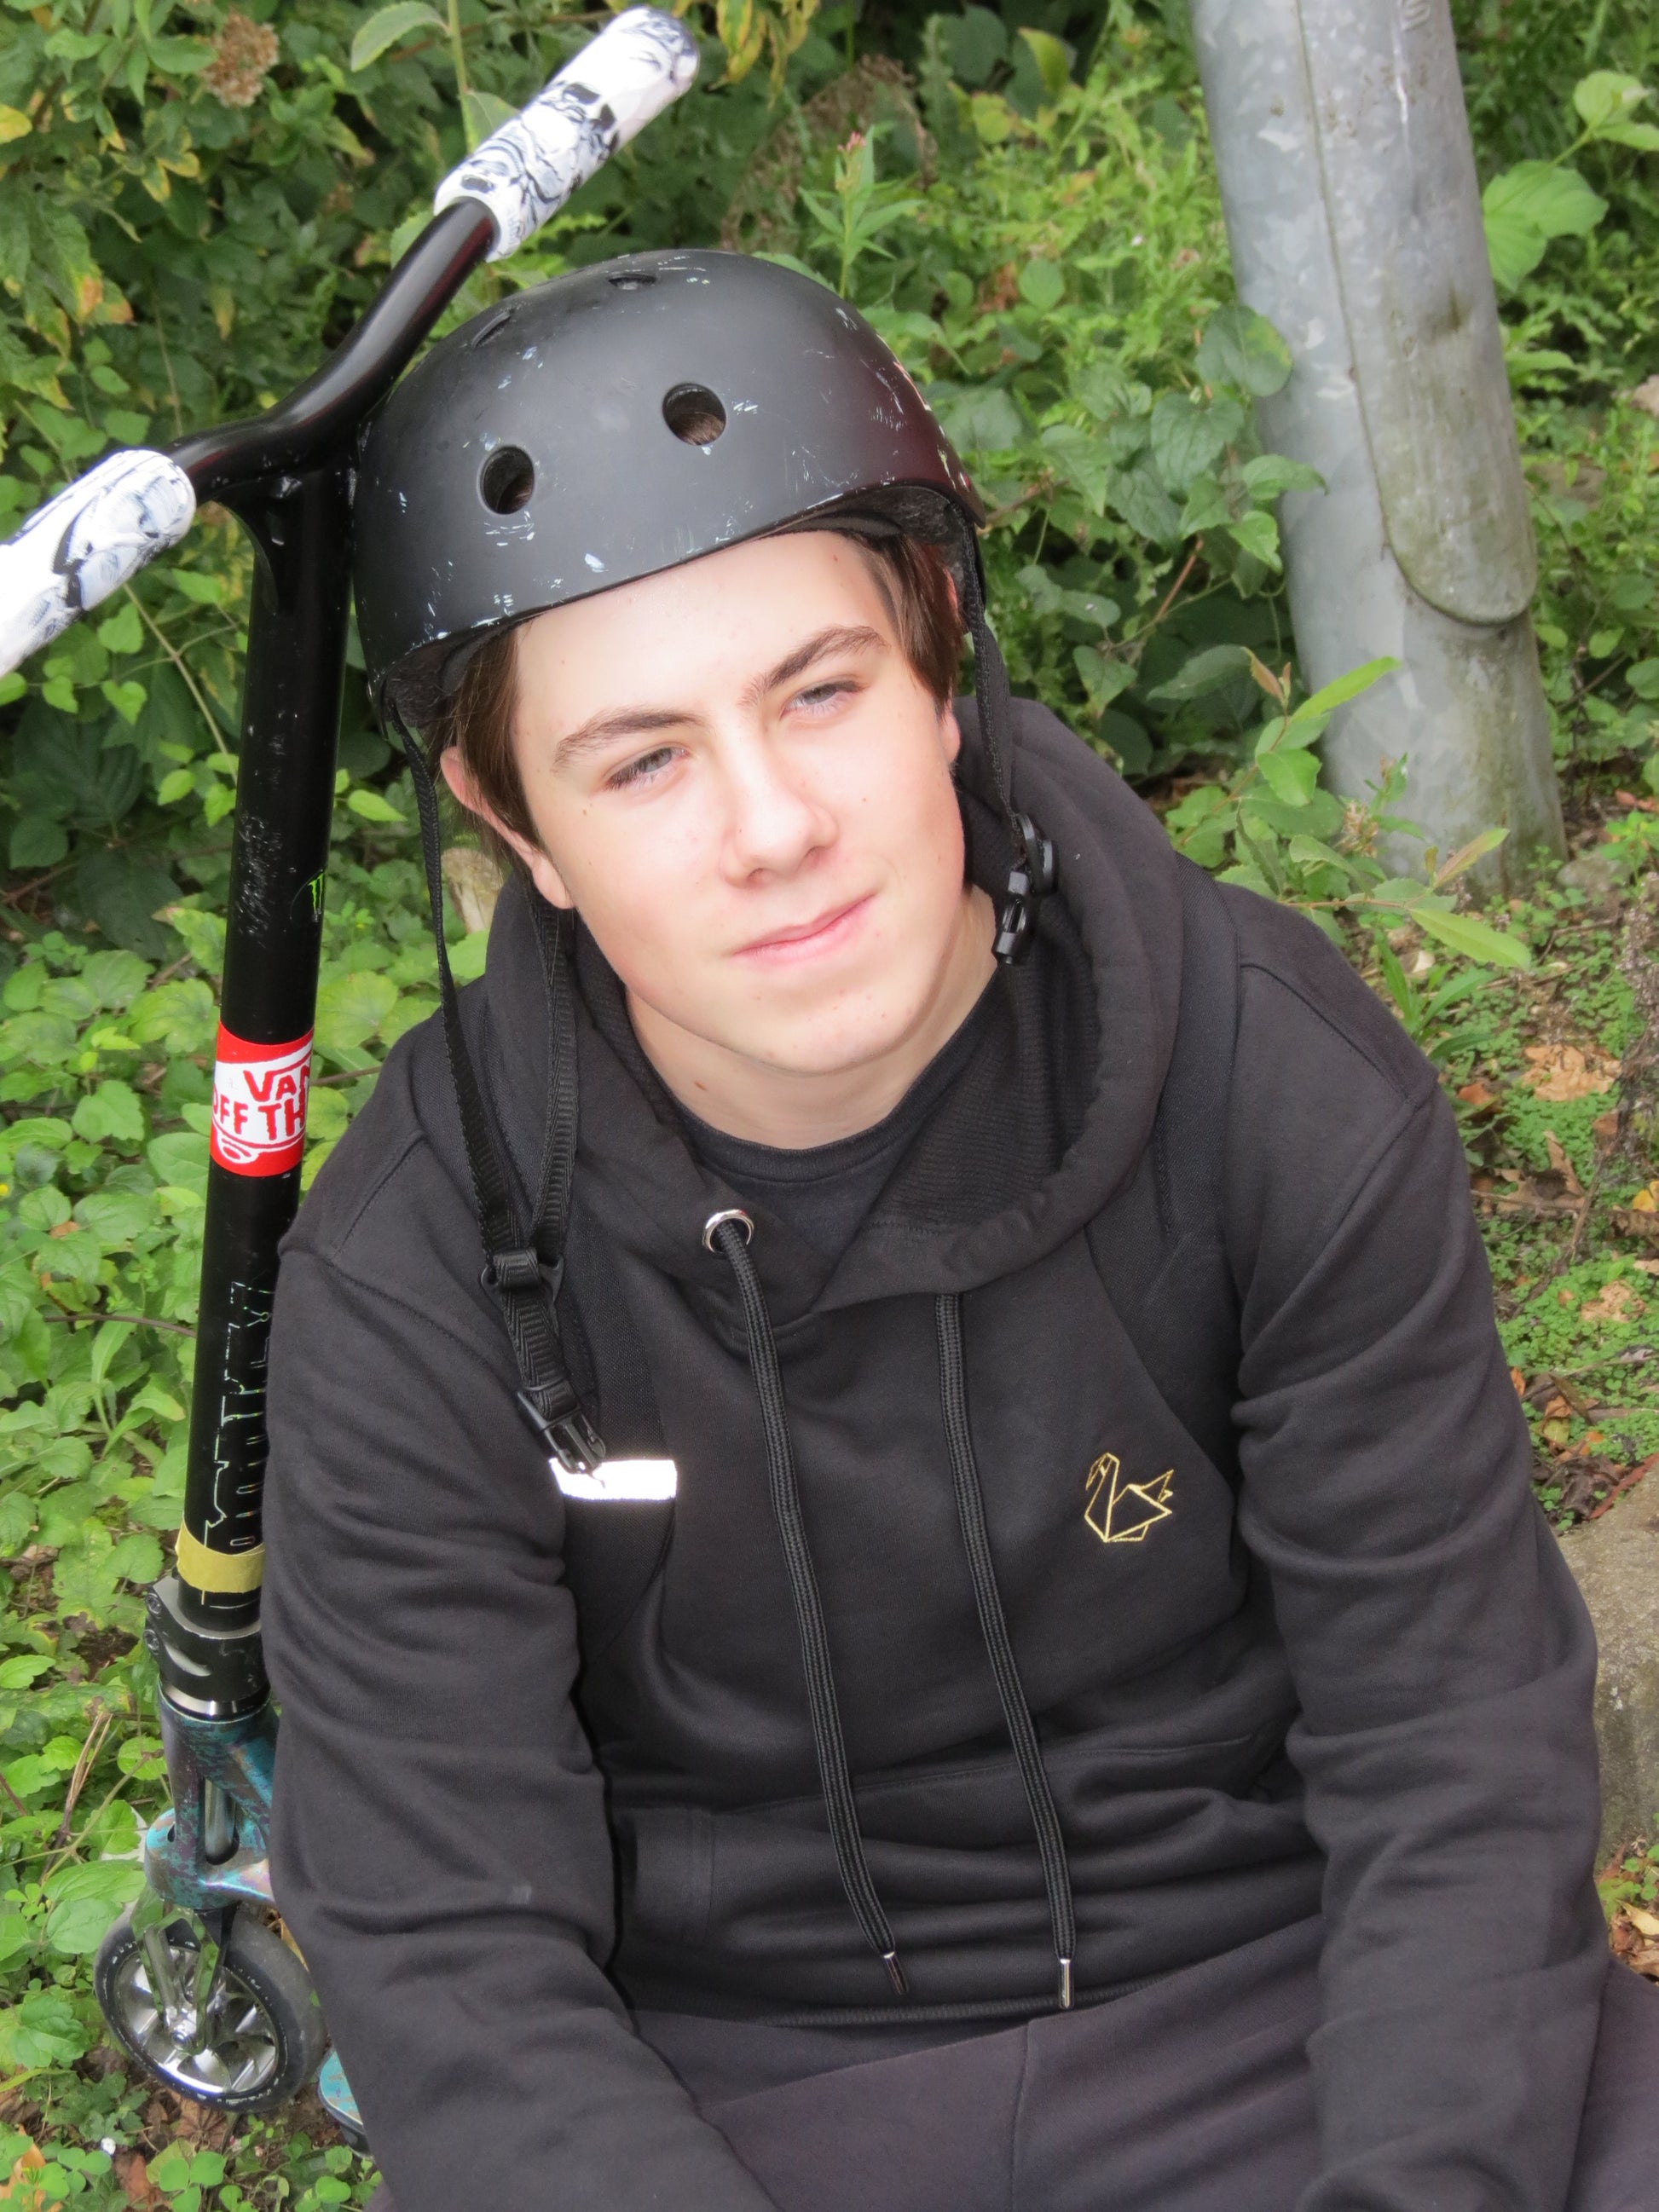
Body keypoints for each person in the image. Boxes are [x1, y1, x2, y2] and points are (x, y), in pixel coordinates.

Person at [262, 249, 1658, 2212]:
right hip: (736, 2089)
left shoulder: (1267, 1076)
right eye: (643, 760)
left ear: (936, 656)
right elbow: (451, 1956)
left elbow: (1453, 1750)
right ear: (514, 825)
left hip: (1281, 1992)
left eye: (818, 690)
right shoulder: (416, 1267)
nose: (771, 826)